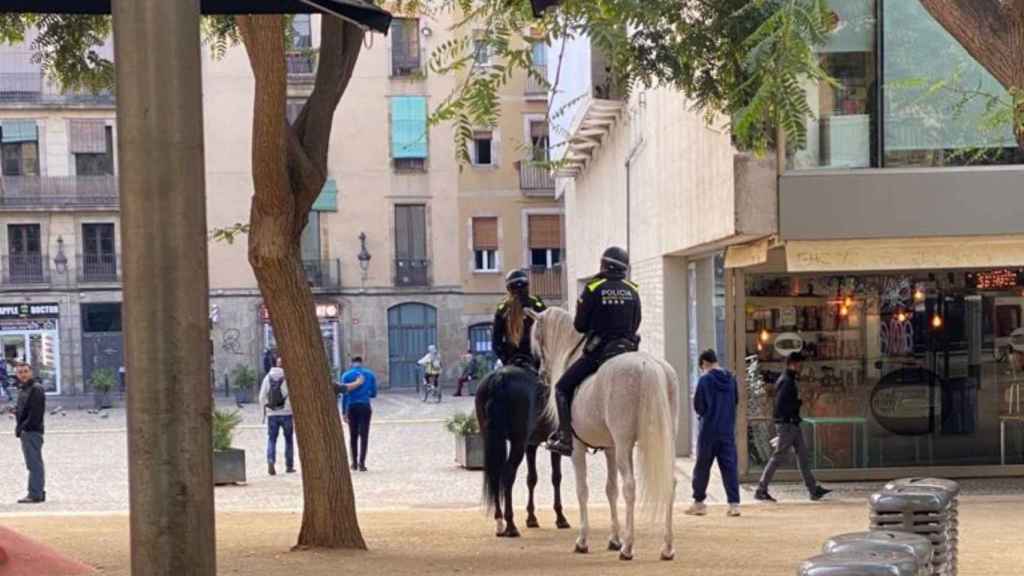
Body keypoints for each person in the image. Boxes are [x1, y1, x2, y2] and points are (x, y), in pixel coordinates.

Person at [548, 246, 641, 457]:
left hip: (600, 353)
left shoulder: (593, 288)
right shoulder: (633, 289)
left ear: (603, 265)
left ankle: (565, 438)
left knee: (562, 387)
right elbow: (636, 323)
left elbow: (580, 326)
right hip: (628, 350)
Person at [755, 351, 832, 502]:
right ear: (793, 364)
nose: (801, 367)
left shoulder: (786, 379)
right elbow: (782, 405)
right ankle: (761, 489)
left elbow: (780, 404)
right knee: (779, 457)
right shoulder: (787, 381)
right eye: (800, 364)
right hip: (788, 424)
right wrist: (799, 403)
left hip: (791, 424)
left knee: (803, 456)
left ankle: (813, 489)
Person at [686, 349, 741, 517]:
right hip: (727, 430)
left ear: (704, 364)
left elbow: (698, 406)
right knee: (729, 467)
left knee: (702, 467)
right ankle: (734, 505)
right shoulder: (731, 379)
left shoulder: (704, 380)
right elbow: (736, 401)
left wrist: (706, 414)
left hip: (708, 430)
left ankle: (699, 503)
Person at [492, 269, 547, 370]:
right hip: (530, 359)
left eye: (522, 286)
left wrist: (506, 360)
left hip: (517, 359)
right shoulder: (536, 305)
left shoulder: (503, 309)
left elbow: (496, 343)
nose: (520, 290)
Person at [14, 362, 45, 503]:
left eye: (25, 371)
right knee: (32, 463)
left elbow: (36, 413)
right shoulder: (23, 388)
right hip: (27, 431)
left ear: (31, 372)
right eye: (20, 372)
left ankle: (35, 494)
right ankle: (38, 492)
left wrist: (24, 428)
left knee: (34, 464)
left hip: (32, 431)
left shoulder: (36, 389)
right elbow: (25, 409)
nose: (23, 375)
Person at [339, 357, 377, 472]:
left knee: (353, 435)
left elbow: (344, 395)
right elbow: (374, 393)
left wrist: (344, 412)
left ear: (351, 363)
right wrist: (365, 393)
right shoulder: (370, 375)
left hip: (352, 406)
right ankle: (362, 463)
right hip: (365, 406)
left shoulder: (346, 376)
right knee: (364, 435)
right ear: (362, 363)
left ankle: (354, 463)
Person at [258, 358, 294, 476]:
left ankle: (270, 460)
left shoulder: (267, 378)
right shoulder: (289, 378)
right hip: (287, 413)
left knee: (272, 439)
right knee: (289, 440)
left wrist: (264, 413)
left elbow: (262, 397)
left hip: (272, 414)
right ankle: (289, 466)